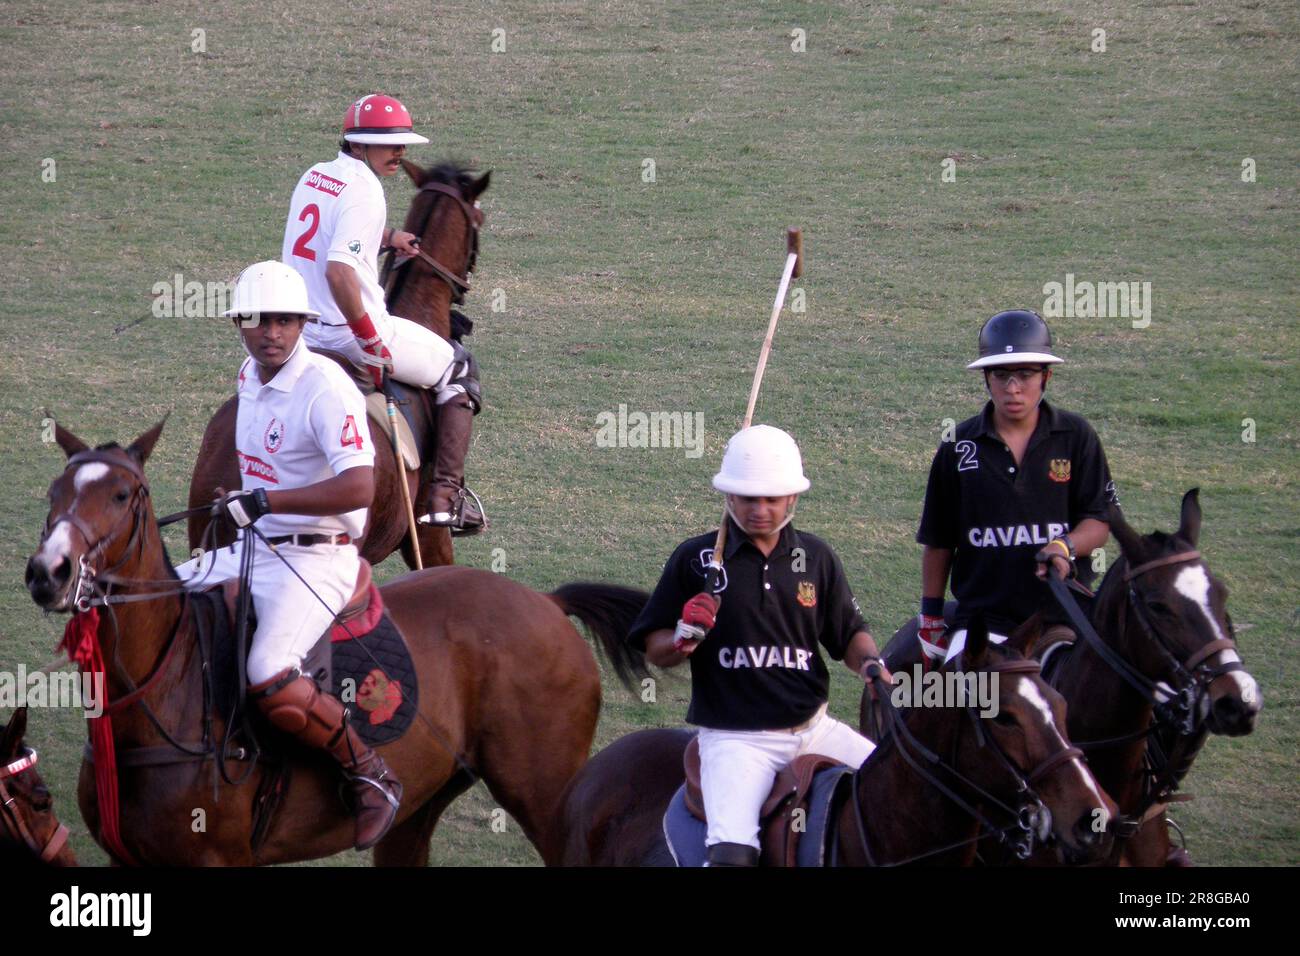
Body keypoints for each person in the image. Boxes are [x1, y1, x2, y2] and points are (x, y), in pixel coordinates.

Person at [176, 260, 401, 850]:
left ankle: (370, 774)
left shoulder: (326, 387)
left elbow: (360, 488)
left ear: (302, 324)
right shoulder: (249, 376)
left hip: (317, 558)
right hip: (257, 545)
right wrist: (241, 502)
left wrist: (267, 500)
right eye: (257, 321)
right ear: (239, 327)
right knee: (159, 599)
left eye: (283, 321)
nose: (270, 332)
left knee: (268, 671)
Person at [627, 425, 887, 867]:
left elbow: (848, 634)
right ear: (728, 496)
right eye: (748, 498)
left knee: (903, 788)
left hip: (814, 729)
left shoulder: (816, 558)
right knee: (732, 854)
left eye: (771, 498)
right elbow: (652, 647)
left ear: (793, 498)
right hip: (735, 741)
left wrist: (872, 666)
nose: (760, 509)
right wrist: (681, 639)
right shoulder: (696, 560)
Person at [282, 93, 483, 532]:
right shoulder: (366, 190)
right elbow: (339, 272)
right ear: (358, 145)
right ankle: (447, 497)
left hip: (300, 333)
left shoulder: (316, 175)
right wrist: (370, 339)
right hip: (345, 333)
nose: (400, 152)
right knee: (459, 368)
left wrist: (388, 236)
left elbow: (326, 238)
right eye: (388, 143)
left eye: (402, 143)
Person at [910, 309, 1119, 667]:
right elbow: (940, 540)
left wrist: (1064, 546)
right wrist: (931, 617)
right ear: (986, 378)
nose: (1013, 388)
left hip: (1062, 616)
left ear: (1046, 377)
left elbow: (1099, 520)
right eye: (1001, 375)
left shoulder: (1076, 436)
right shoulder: (958, 446)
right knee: (968, 703)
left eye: (1025, 374)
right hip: (985, 622)